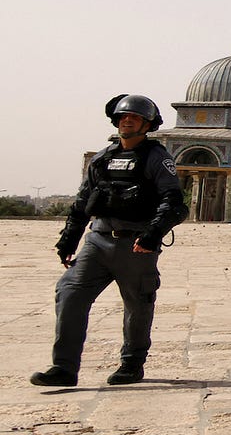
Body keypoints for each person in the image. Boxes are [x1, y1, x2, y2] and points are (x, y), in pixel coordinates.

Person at [31, 95, 188, 387]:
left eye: (135, 118)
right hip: (98, 241)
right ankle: (64, 368)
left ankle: (131, 363)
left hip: (134, 244)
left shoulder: (155, 158)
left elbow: (174, 202)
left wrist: (152, 235)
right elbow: (81, 203)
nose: (127, 121)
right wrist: (68, 241)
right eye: (123, 117)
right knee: (70, 293)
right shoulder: (103, 158)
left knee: (138, 304)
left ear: (147, 124)